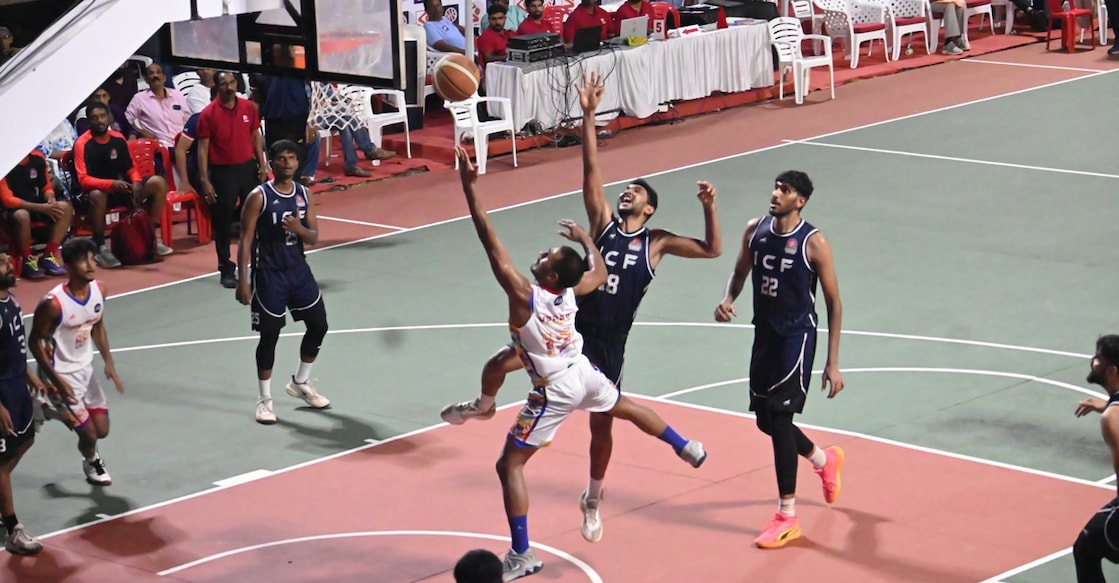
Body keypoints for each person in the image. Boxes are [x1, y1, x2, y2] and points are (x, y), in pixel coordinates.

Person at [440, 71, 721, 544]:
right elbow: (591, 170)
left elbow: (713, 249)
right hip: (571, 332)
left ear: (650, 208)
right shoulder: (605, 222)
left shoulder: (657, 242)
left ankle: (592, 498)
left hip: (608, 344)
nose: (627, 192)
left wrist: (710, 206)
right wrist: (589, 115)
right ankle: (483, 406)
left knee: (602, 427)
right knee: (498, 362)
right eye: (627, 188)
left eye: (638, 192)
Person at [713, 170, 845, 549]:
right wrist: (728, 299)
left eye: (784, 190)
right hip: (765, 334)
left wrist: (832, 363)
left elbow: (835, 303)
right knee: (766, 422)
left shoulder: (814, 242)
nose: (775, 194)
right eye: (775, 187)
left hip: (796, 336)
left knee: (781, 417)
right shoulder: (756, 230)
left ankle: (786, 516)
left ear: (799, 201)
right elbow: (739, 272)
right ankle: (823, 459)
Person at [236, 140, 331, 425]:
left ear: (297, 163)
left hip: (298, 271)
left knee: (319, 325)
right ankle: (264, 400)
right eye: (281, 158)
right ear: (272, 163)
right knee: (270, 337)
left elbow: (314, 237)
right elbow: (245, 239)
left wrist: (299, 228)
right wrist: (243, 280)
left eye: (292, 158)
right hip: (269, 274)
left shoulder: (304, 193)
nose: (287, 163)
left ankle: (301, 382)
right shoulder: (259, 196)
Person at [29, 238, 124, 487]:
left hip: (85, 370)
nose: (91, 265)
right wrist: (56, 381)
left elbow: (97, 327)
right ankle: (91, 461)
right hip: (58, 373)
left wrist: (109, 363)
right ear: (68, 266)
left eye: (92, 258)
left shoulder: (99, 290)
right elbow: (34, 343)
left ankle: (45, 412)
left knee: (102, 429)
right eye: (84, 260)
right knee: (89, 433)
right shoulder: (52, 304)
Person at [0, 250, 45, 555]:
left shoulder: (11, 302)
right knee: (2, 463)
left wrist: (29, 374)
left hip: (17, 384)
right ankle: (13, 529)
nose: (7, 264)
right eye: (1, 264)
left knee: (26, 440)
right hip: (2, 391)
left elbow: (15, 347)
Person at [1072, 335, 1119, 583]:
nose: (1093, 361)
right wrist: (1108, 404)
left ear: (1112, 370)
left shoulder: (1112, 418)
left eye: (1098, 358)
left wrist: (1110, 409)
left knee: (1085, 548)